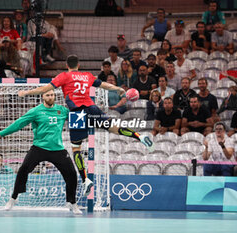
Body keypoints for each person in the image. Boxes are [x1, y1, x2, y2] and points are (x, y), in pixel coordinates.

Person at [18, 55, 154, 196]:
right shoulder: (86, 75)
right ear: (79, 65)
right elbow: (104, 85)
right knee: (113, 127)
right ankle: (139, 136)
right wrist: (118, 89)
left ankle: (85, 179)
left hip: (77, 113)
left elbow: (45, 89)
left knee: (76, 149)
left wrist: (26, 92)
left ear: (67, 65)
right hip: (92, 108)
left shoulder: (64, 76)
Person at [0, 89, 81, 214]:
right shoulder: (36, 111)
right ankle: (13, 198)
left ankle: (72, 202)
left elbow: (78, 117)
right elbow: (19, 123)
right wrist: (0, 134)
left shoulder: (62, 110)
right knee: (23, 169)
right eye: (48, 95)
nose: (50, 97)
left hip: (57, 149)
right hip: (39, 148)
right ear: (43, 96)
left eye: (52, 95)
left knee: (72, 174)